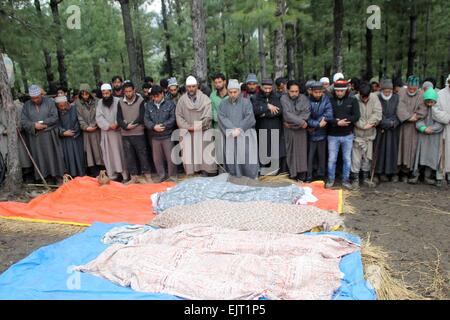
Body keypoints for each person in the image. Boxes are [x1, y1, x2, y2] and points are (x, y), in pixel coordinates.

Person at [21, 85, 65, 184]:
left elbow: (55, 117)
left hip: (50, 135)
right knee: (40, 157)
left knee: (53, 155)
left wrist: (44, 125)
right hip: (36, 137)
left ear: (41, 94)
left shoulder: (50, 102)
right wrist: (34, 125)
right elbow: (24, 121)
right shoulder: (26, 105)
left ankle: (57, 177)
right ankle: (46, 178)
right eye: (33, 98)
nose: (35, 100)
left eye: (37, 97)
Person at [176, 76, 217, 176]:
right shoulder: (181, 101)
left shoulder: (205, 99)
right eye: (189, 87)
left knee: (204, 153)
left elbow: (208, 116)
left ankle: (205, 172)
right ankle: (193, 173)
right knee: (190, 154)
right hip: (188, 132)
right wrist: (188, 127)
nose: (191, 89)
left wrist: (197, 126)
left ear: (197, 86)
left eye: (193, 86)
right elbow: (179, 116)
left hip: (202, 131)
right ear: (186, 87)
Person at [218, 79, 259, 179]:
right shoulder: (223, 104)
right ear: (227, 92)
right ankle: (233, 178)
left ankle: (250, 179)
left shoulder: (246, 102)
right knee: (232, 158)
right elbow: (221, 117)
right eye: (230, 92)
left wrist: (239, 129)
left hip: (245, 135)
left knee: (247, 158)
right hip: (230, 135)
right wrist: (232, 130)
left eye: (235, 92)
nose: (233, 94)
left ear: (239, 91)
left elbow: (249, 117)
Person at [326, 79, 361, 189]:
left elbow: (356, 116)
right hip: (332, 135)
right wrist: (337, 122)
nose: (339, 93)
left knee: (347, 159)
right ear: (334, 90)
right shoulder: (330, 100)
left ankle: (346, 180)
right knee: (332, 159)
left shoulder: (353, 100)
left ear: (346, 90)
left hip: (348, 135)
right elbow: (327, 116)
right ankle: (330, 180)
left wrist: (345, 121)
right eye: (337, 91)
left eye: (342, 91)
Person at [117, 82, 152, 184]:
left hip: (138, 132)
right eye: (126, 91)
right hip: (125, 134)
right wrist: (126, 126)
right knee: (129, 156)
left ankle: (147, 176)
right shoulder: (120, 102)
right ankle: (133, 177)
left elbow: (142, 116)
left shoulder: (140, 100)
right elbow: (118, 118)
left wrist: (133, 124)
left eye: (130, 91)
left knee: (143, 155)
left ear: (134, 90)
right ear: (124, 91)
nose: (128, 93)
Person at [251, 78, 286, 175]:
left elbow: (279, 111)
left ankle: (274, 176)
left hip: (275, 129)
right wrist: (267, 107)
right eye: (265, 88)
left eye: (269, 88)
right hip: (261, 129)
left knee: (275, 154)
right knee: (263, 154)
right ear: (261, 87)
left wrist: (264, 114)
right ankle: (264, 176)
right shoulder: (255, 97)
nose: (267, 90)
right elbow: (255, 110)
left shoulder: (276, 96)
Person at [351, 82, 382, 188]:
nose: (364, 100)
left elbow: (378, 113)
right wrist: (361, 125)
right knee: (356, 158)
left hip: (370, 133)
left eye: (366, 97)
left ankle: (365, 177)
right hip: (358, 134)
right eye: (362, 97)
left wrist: (370, 123)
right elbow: (353, 115)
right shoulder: (354, 99)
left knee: (367, 158)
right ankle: (355, 178)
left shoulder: (374, 98)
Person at [396, 75, 428, 183]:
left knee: (412, 149)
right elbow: (400, 107)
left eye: (414, 89)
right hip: (403, 126)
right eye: (410, 88)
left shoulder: (421, 94)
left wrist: (417, 116)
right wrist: (409, 117)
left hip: (414, 128)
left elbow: (423, 109)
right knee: (401, 147)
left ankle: (407, 171)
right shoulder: (401, 92)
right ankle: (398, 171)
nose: (412, 90)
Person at [95, 83, 128, 182]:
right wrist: (108, 125)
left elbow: (123, 115)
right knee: (109, 155)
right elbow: (99, 117)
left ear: (110, 92)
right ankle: (112, 176)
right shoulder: (100, 103)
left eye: (107, 93)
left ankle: (125, 176)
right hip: (106, 134)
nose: (105, 95)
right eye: (103, 93)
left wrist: (117, 123)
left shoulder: (118, 101)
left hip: (118, 133)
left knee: (120, 154)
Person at [144, 85, 177, 183]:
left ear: (162, 94)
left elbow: (173, 118)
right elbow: (146, 119)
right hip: (154, 136)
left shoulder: (170, 104)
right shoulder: (149, 105)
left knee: (170, 157)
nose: (155, 98)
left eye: (157, 96)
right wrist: (153, 126)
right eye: (153, 97)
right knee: (157, 159)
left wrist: (163, 126)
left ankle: (172, 176)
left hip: (167, 135)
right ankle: (162, 176)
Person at [411, 89, 444, 187]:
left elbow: (441, 122)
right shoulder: (422, 108)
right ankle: (415, 175)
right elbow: (418, 120)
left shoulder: (438, 109)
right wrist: (423, 128)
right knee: (420, 155)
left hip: (434, 137)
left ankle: (427, 176)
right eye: (428, 101)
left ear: (435, 101)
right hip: (423, 137)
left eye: (432, 101)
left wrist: (432, 128)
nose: (430, 103)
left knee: (431, 157)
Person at [281, 80, 311, 181]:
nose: (294, 94)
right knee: (290, 152)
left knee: (302, 153)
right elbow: (286, 115)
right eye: (292, 91)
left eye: (296, 91)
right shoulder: (283, 98)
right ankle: (292, 176)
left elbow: (306, 114)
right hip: (289, 131)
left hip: (300, 131)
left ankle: (302, 177)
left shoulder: (304, 98)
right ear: (287, 90)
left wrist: (297, 124)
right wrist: (301, 123)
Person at [374, 79, 401, 183]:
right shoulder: (377, 98)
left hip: (393, 130)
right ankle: (378, 172)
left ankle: (392, 173)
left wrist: (394, 123)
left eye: (389, 91)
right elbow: (376, 112)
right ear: (382, 90)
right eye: (385, 91)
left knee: (392, 151)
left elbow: (400, 112)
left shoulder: (396, 98)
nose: (387, 93)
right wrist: (383, 123)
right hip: (380, 129)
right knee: (380, 151)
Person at [307, 81, 334, 182]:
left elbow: (329, 114)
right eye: (316, 92)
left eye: (320, 92)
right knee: (310, 156)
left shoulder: (326, 99)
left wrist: (320, 122)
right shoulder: (307, 100)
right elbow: (306, 117)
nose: (318, 94)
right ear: (311, 92)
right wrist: (318, 123)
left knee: (322, 156)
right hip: (311, 133)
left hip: (322, 133)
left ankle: (321, 176)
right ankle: (309, 176)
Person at [75, 84, 103, 177]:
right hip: (86, 132)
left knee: (100, 150)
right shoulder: (77, 103)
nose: (84, 95)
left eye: (86, 93)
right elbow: (79, 117)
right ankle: (94, 172)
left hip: (97, 130)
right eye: (82, 93)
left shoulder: (97, 101)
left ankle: (103, 171)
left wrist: (94, 124)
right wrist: (85, 127)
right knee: (90, 152)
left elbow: (99, 114)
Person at [55, 95, 85, 177]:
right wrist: (63, 132)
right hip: (65, 139)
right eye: (60, 106)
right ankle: (72, 175)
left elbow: (79, 120)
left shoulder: (74, 109)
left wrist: (74, 131)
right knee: (68, 157)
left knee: (79, 156)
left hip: (76, 138)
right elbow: (55, 124)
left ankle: (81, 174)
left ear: (67, 103)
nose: (63, 107)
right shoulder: (56, 112)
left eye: (64, 105)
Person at [433, 74, 450, 185]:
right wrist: (448, 118)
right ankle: (439, 175)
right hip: (444, 128)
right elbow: (434, 110)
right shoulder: (440, 94)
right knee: (442, 151)